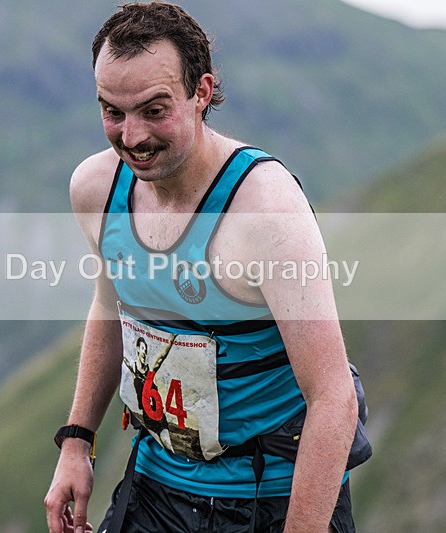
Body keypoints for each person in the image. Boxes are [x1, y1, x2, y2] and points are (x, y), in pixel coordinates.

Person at [45, 2, 362, 532]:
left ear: (202, 92)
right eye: (112, 112)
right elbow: (110, 308)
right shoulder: (96, 190)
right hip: (156, 485)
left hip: (271, 497)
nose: (132, 137)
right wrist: (77, 442)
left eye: (154, 110)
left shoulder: (265, 210)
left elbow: (333, 398)